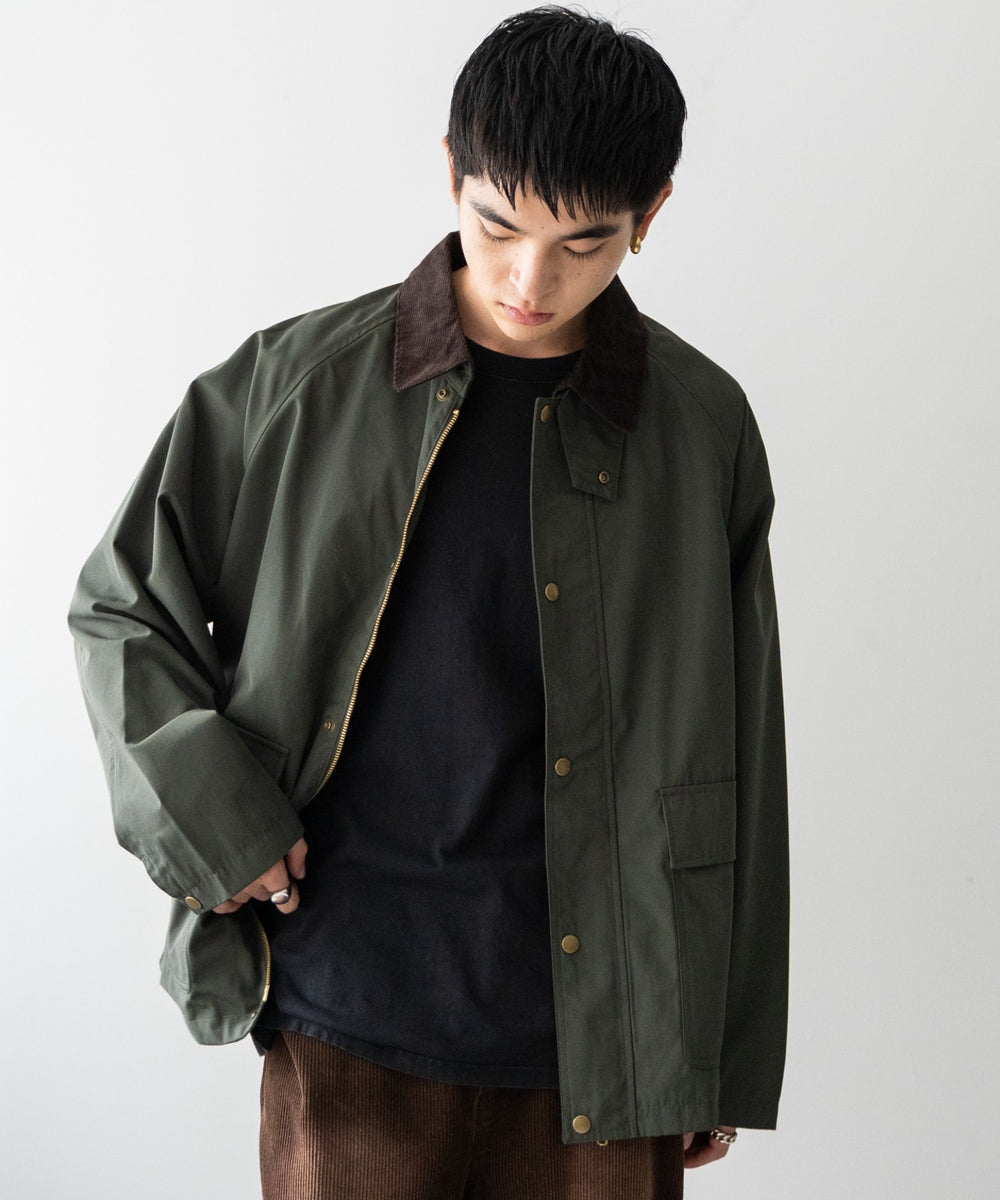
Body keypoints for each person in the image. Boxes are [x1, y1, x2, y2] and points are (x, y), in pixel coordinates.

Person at [69, 7, 788, 1198]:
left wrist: (720, 1047)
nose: (528, 280)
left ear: (651, 213)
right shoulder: (294, 386)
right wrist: (218, 824)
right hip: (348, 1008)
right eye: (498, 225)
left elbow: (742, 743)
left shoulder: (698, 427)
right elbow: (120, 607)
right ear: (451, 169)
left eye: (584, 243)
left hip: (610, 1029)